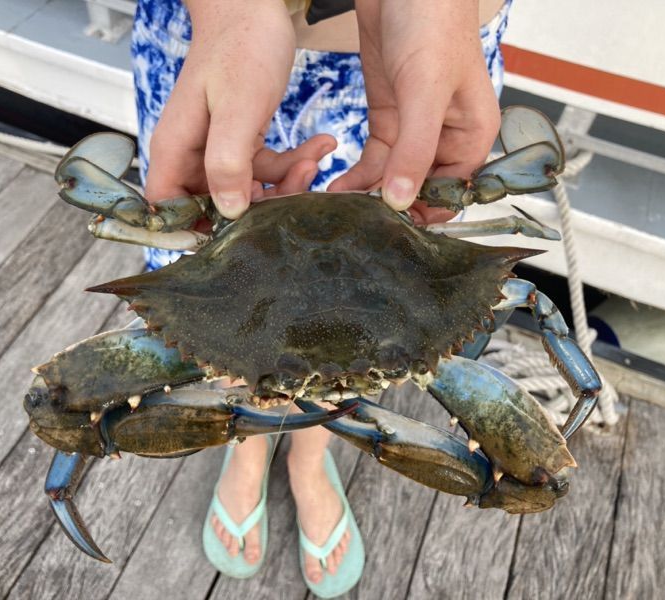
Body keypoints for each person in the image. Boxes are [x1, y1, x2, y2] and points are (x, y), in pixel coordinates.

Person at [131, 0, 511, 594]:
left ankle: (306, 455)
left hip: (427, 46)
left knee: (237, 282)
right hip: (214, 39)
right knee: (226, 286)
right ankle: (250, 446)